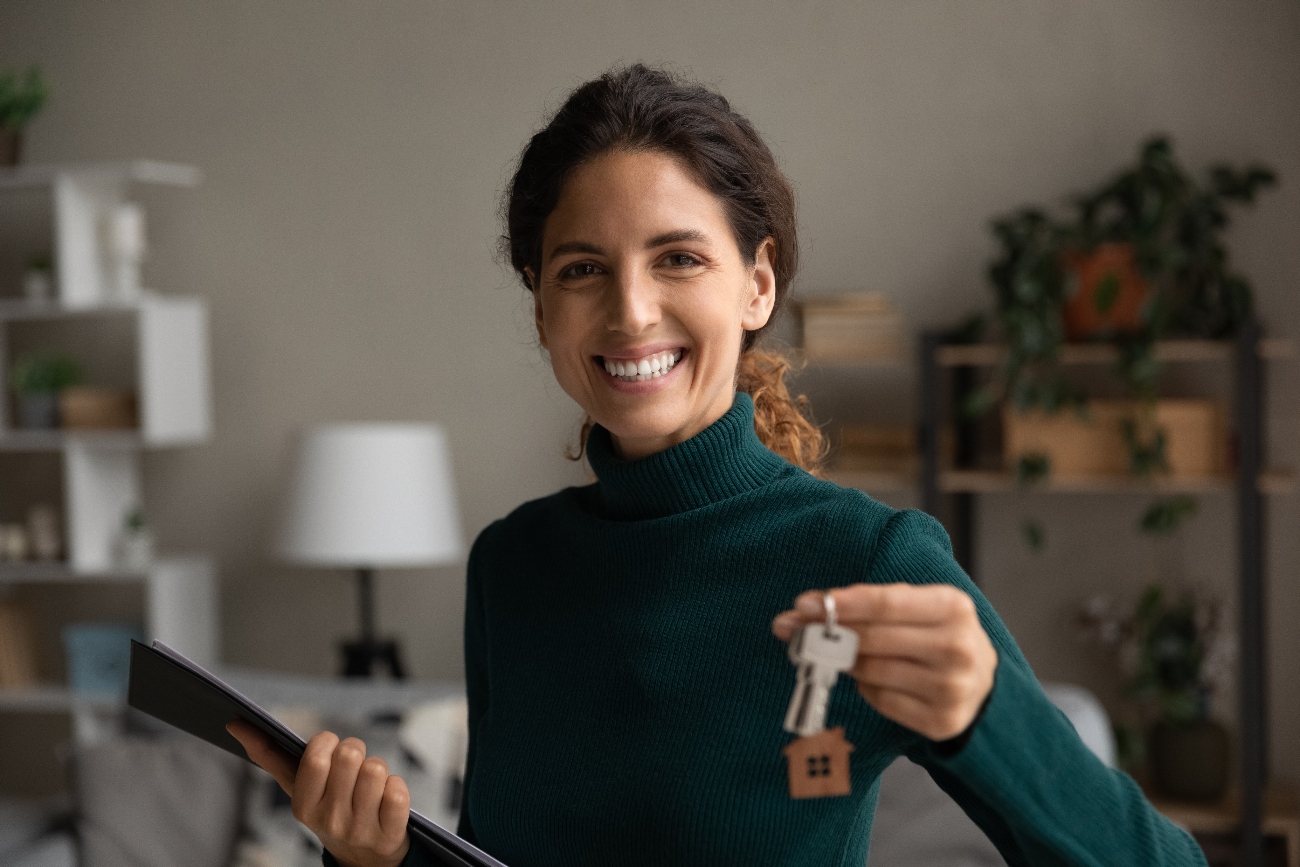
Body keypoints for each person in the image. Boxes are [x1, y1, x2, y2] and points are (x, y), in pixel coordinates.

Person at [231, 64, 1208, 867]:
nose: (630, 311)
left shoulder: (871, 557)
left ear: (758, 283)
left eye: (677, 259)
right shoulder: (511, 567)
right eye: (581, 269)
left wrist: (983, 714)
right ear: (540, 310)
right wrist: (367, 863)